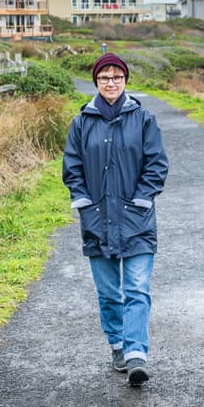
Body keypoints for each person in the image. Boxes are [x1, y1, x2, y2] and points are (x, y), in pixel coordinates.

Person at [62, 53, 169, 386]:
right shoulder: (82, 122)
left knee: (137, 289)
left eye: (117, 77)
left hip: (137, 219)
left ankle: (137, 354)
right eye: (105, 77)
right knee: (109, 294)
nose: (111, 83)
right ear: (96, 81)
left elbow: (157, 165)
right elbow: (72, 167)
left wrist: (141, 199)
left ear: (125, 80)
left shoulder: (144, 119)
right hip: (97, 221)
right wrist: (83, 202)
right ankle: (118, 345)